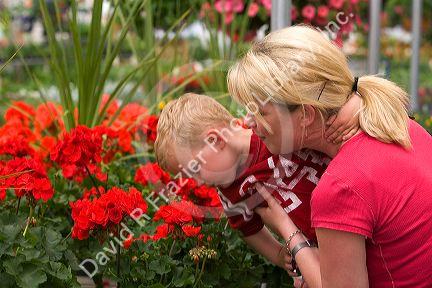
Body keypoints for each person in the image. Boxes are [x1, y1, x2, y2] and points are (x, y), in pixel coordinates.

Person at [227, 24, 432, 288]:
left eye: (261, 112)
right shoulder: (401, 125)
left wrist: (288, 231)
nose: (248, 122)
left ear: (306, 115)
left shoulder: (341, 186)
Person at [154, 93, 359, 283]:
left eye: (196, 169)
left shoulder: (270, 134)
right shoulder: (230, 192)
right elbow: (248, 229)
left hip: (352, 210)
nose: (197, 182)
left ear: (215, 140)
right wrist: (279, 254)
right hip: (318, 249)